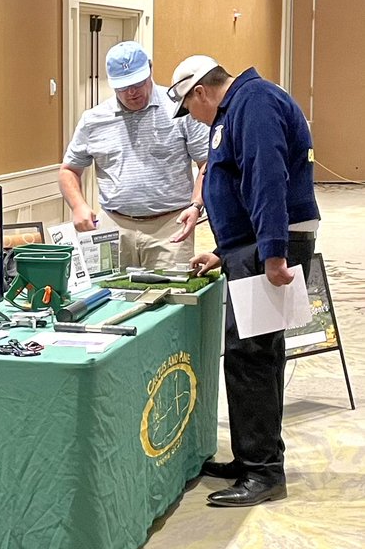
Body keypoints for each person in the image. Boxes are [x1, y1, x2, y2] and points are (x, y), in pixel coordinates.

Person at [165, 55, 320, 507]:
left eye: (190, 108)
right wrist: (226, 250)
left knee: (250, 357)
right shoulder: (243, 104)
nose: (193, 117)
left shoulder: (252, 104)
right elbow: (240, 187)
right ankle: (255, 455)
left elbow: (266, 179)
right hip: (256, 246)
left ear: (200, 93)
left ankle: (263, 472)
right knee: (259, 355)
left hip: (271, 247)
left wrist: (272, 254)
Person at [59, 41, 210, 269]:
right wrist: (78, 205)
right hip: (114, 225)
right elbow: (68, 170)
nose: (132, 93)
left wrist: (196, 204)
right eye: (123, 87)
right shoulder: (94, 120)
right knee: (110, 298)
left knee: (171, 298)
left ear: (150, 69)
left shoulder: (180, 109)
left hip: (171, 226)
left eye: (138, 83)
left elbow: (207, 164)